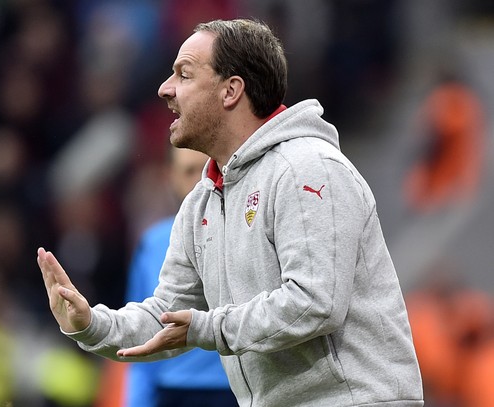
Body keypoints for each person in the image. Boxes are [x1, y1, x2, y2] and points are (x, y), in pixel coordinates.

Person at [38, 19, 424, 406]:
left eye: (184, 74)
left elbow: (314, 302)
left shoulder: (307, 167)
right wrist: (92, 324)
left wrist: (208, 327)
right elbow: (167, 315)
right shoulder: (202, 201)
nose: (165, 89)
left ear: (231, 91)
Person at [122, 147, 237, 407]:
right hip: (174, 389)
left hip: (238, 387)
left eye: (207, 168)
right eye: (189, 171)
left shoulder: (249, 232)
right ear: (169, 177)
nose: (200, 181)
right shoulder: (152, 244)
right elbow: (138, 330)